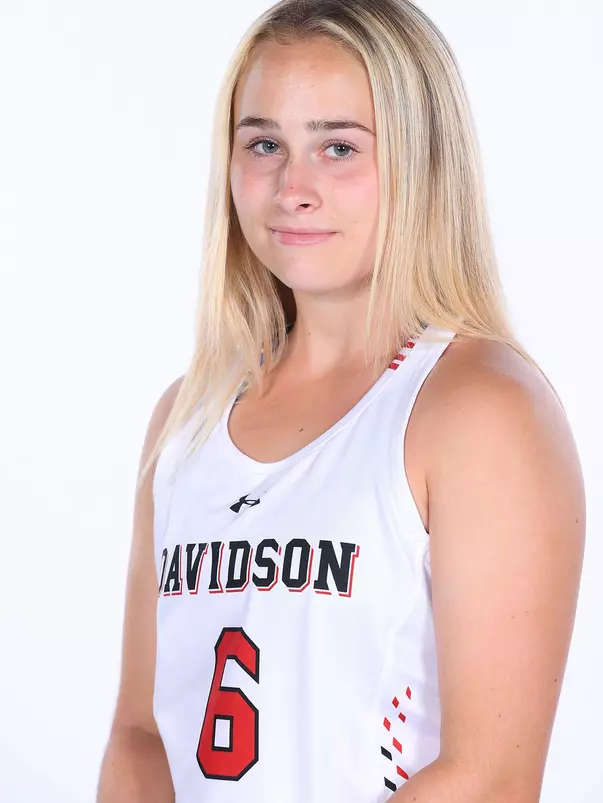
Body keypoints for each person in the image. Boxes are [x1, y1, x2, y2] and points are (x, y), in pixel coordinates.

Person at [97, 1, 585, 802]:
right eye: (264, 144)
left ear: (422, 161)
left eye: (338, 147)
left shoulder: (479, 409)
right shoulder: (185, 419)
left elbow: (489, 777)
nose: (293, 189)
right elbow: (141, 735)